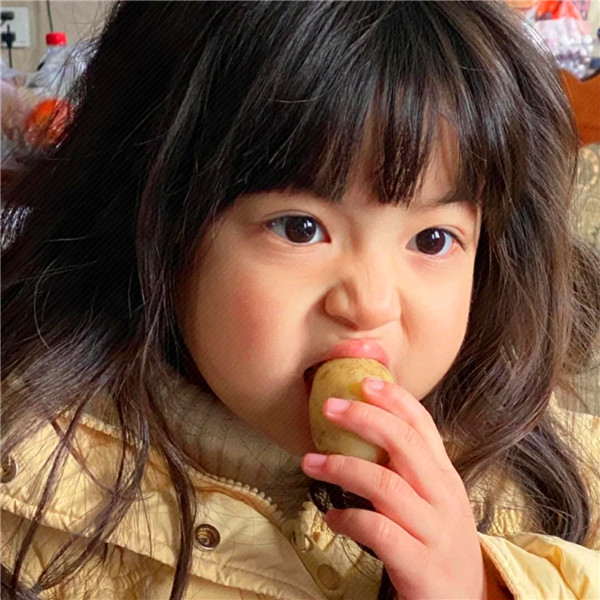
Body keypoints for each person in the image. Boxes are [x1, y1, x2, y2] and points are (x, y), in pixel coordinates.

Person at [1, 2, 599, 599]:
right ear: (158, 228)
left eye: (432, 240)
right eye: (300, 228)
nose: (370, 304)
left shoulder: (534, 469)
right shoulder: (28, 491)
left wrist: (486, 588)